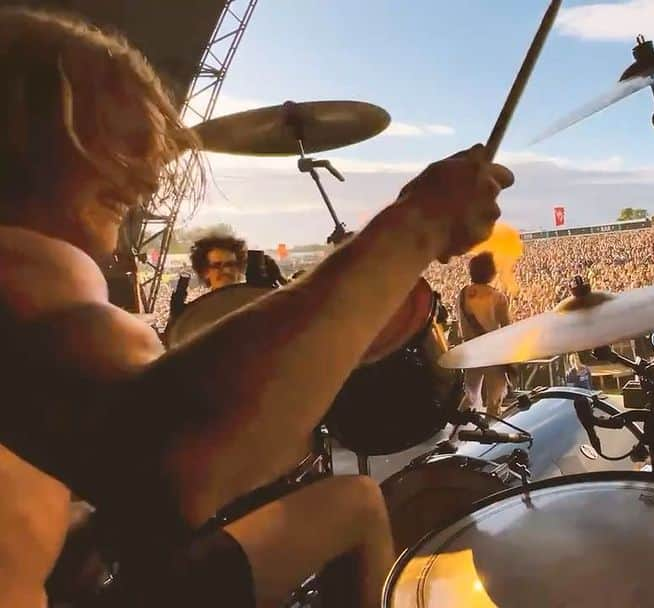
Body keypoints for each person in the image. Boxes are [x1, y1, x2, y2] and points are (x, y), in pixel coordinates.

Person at [0, 8, 512, 608]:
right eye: (101, 96)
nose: (148, 157)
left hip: (80, 572)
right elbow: (175, 457)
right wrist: (416, 227)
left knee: (354, 502)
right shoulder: (21, 266)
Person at [457, 252, 513, 416]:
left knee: (470, 394)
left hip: (471, 351)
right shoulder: (498, 297)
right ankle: (492, 432)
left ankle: (458, 427)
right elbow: (506, 328)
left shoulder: (462, 294)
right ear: (491, 273)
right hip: (493, 353)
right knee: (494, 400)